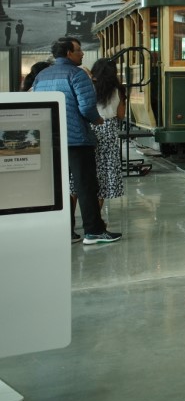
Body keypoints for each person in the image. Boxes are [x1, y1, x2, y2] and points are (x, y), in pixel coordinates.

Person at [31, 37, 122, 245]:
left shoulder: (42, 75)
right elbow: (87, 106)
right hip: (77, 140)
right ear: (68, 54)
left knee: (60, 187)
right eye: (79, 50)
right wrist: (97, 120)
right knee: (85, 185)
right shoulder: (76, 74)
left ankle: (67, 231)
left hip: (51, 140)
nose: (82, 54)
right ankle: (94, 231)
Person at [88, 58, 126, 205]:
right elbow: (121, 115)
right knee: (104, 173)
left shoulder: (89, 87)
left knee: (87, 168)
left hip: (91, 126)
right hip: (109, 129)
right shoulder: (119, 90)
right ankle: (97, 217)